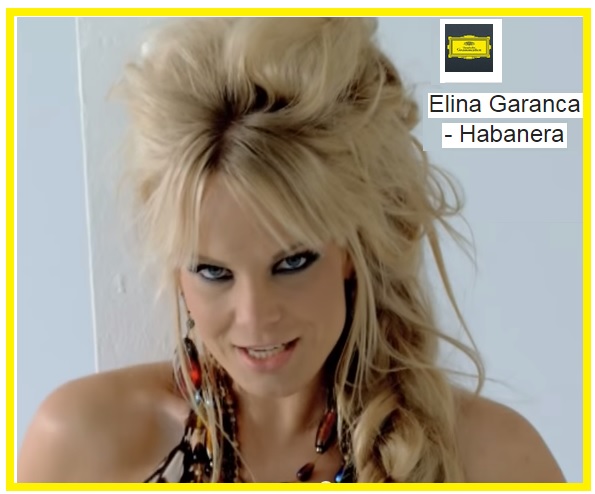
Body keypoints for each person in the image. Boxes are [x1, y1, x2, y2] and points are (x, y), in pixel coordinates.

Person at [18, 17, 566, 483]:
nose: (255, 317)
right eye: (213, 272)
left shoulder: (493, 460)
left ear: (351, 250)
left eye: (292, 263)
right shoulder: (82, 446)